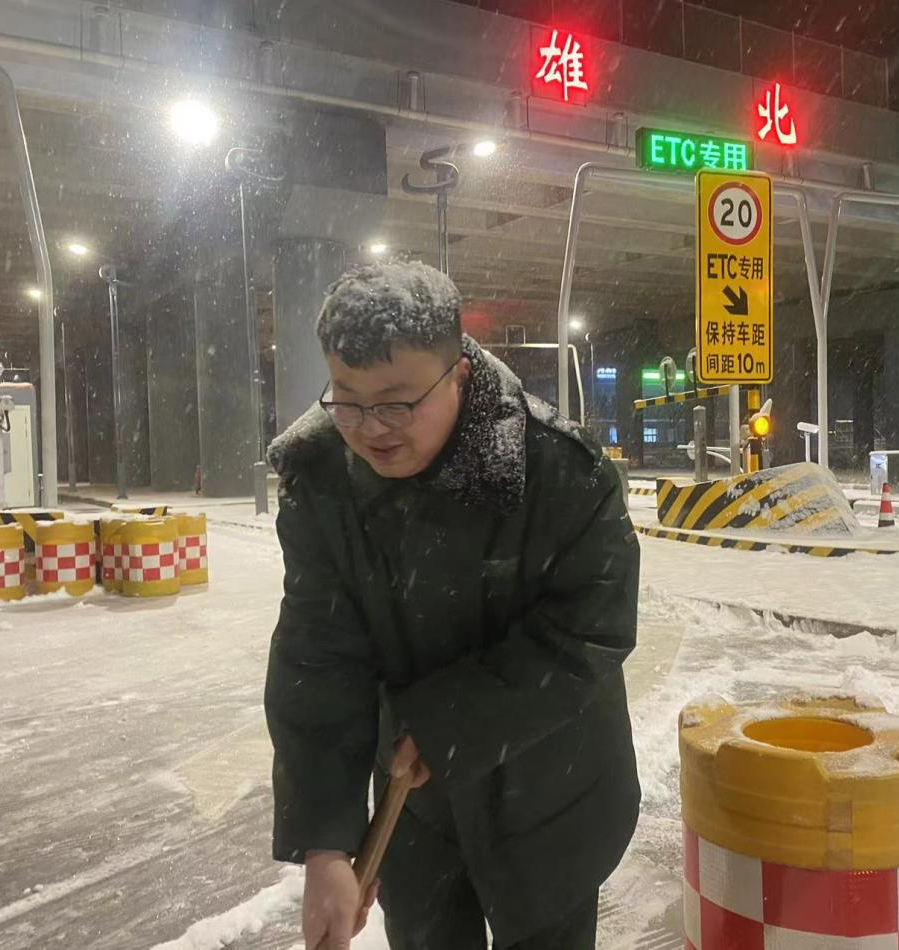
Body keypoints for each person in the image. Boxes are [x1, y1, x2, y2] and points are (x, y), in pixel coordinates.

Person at [264, 261, 640, 950]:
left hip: (549, 788)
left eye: (398, 401)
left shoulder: (560, 471)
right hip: (416, 812)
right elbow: (319, 659)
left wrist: (447, 722)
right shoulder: (323, 484)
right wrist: (324, 844)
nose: (371, 428)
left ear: (460, 375)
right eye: (346, 399)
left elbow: (593, 627)